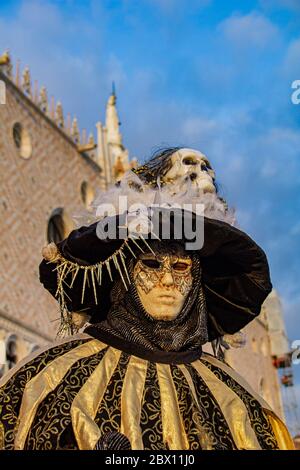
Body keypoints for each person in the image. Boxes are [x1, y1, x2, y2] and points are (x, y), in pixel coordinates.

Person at [0, 150, 294, 451]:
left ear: (196, 280)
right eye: (152, 265)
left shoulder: (237, 400)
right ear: (124, 273)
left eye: (180, 268)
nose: (167, 281)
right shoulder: (51, 380)